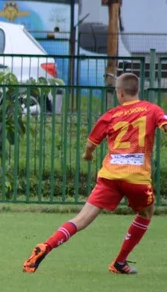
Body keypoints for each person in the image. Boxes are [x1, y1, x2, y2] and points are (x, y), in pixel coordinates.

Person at [24, 73, 167, 275]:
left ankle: (46, 246)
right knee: (146, 212)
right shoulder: (152, 110)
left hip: (109, 176)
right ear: (137, 91)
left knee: (82, 218)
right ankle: (119, 262)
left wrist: (87, 155)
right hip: (137, 177)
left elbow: (90, 145)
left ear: (120, 93)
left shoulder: (111, 115)